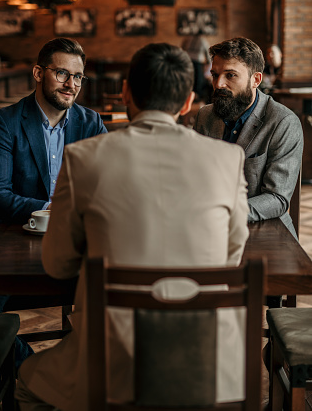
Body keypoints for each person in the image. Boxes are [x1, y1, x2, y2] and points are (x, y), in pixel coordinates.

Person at [16, 42, 249, 411]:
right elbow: (231, 257)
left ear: (125, 91)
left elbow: (58, 264)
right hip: (206, 364)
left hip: (111, 364)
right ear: (188, 102)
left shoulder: (83, 159)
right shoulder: (228, 159)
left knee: (27, 383)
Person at [0, 37, 107, 365]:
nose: (71, 84)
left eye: (77, 76)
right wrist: (53, 208)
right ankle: (29, 370)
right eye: (62, 73)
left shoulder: (91, 123)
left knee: (111, 303)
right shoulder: (5, 122)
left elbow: (107, 187)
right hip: (9, 241)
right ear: (37, 72)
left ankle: (74, 379)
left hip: (76, 244)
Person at [193, 36, 303, 239]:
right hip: (208, 227)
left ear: (256, 80)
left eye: (231, 75)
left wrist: (224, 214)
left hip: (268, 229)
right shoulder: (204, 116)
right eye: (215, 74)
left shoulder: (284, 122)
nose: (219, 84)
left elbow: (277, 199)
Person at [182, 29, 211, 101]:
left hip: (188, 60)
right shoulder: (203, 40)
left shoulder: (188, 38)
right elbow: (207, 52)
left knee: (190, 78)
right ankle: (197, 96)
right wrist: (208, 61)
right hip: (198, 61)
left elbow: (183, 48)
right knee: (199, 80)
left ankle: (189, 95)